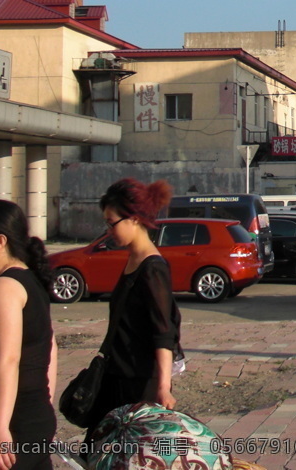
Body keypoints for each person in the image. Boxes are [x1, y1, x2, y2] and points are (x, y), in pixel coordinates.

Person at [0, 199, 58, 469]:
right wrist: (45, 401)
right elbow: (50, 347)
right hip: (34, 415)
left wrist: (0, 430)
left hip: (16, 426)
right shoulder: (29, 280)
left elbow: (8, 359)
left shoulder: (6, 286)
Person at [83, 179, 181, 437]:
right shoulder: (134, 260)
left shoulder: (153, 267)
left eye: (111, 222)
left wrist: (163, 385)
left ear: (134, 219)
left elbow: (163, 330)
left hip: (138, 383)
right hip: (118, 375)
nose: (108, 230)